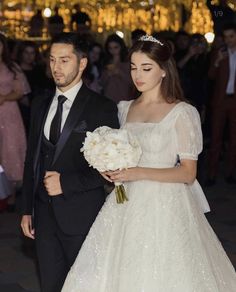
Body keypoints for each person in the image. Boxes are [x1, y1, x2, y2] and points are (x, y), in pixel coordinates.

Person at [62, 35, 236, 291]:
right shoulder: (125, 108)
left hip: (166, 201)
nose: (137, 75)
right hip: (126, 200)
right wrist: (109, 165)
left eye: (146, 68)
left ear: (164, 71)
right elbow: (119, 149)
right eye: (133, 67)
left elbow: (188, 173)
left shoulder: (182, 112)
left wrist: (137, 172)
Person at [20, 32, 119, 292]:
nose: (56, 67)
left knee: (84, 285)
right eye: (52, 60)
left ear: (82, 63)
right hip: (43, 214)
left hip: (81, 214)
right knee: (50, 285)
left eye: (64, 60)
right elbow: (32, 159)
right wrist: (26, 209)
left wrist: (67, 183)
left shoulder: (101, 108)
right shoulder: (41, 103)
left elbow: (111, 169)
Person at [0, 33, 30, 212]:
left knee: (10, 150)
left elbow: (20, 91)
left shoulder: (11, 67)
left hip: (9, 112)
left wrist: (4, 97)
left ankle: (10, 196)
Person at [207, 22, 236, 185]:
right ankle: (211, 174)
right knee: (216, 138)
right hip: (220, 101)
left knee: (234, 139)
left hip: (234, 102)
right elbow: (210, 76)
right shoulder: (220, 52)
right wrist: (217, 61)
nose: (228, 40)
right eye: (226, 37)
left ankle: (230, 173)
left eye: (231, 36)